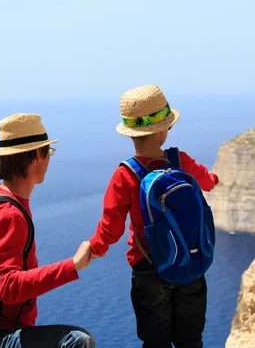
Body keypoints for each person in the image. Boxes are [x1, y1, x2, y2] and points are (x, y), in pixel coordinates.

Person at [88, 85, 219, 348]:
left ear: (131, 134)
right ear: (163, 131)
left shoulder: (124, 175)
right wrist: (214, 178)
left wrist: (94, 248)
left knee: (155, 341)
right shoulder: (180, 161)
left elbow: (110, 227)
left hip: (148, 269)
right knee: (190, 339)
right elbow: (208, 181)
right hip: (190, 263)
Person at [0, 113, 95, 348]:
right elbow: (7, 286)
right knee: (76, 341)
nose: (49, 160)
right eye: (48, 152)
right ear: (35, 155)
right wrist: (72, 265)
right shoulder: (8, 214)